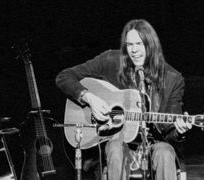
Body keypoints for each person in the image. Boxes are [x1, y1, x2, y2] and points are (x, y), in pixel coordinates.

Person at [56, 19, 192, 180]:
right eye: (129, 45)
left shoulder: (172, 79)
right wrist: (89, 98)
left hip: (152, 143)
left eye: (139, 44)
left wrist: (179, 131)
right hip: (115, 140)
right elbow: (64, 77)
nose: (134, 50)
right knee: (115, 147)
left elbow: (169, 132)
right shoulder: (111, 61)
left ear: (151, 45)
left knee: (165, 152)